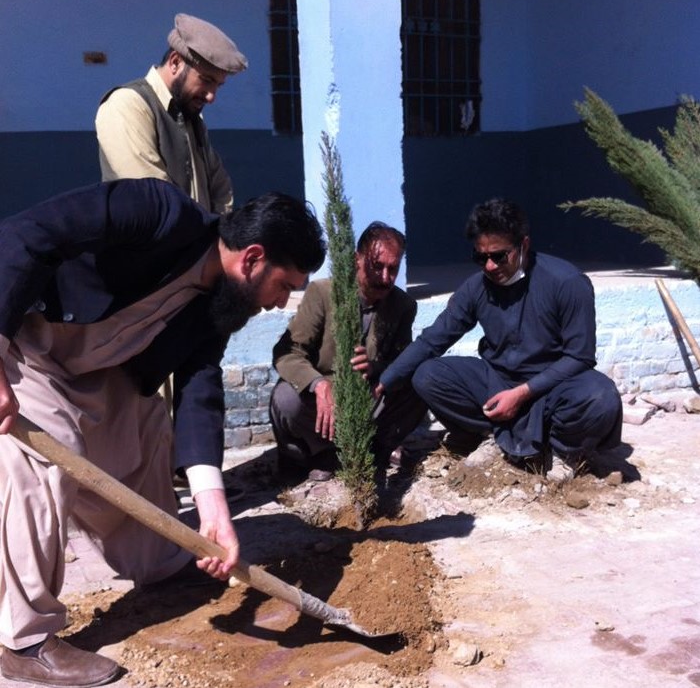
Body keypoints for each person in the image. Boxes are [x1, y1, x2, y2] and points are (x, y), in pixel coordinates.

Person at [0, 179, 325, 688]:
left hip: (99, 374)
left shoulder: (219, 306)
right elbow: (27, 235)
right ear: (254, 258)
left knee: (148, 426)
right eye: (284, 286)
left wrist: (213, 505)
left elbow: (199, 385)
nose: (282, 303)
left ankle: (158, 564)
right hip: (28, 349)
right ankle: (23, 641)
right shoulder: (156, 211)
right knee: (44, 458)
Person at [376, 198, 623, 482]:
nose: (490, 266)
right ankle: (493, 437)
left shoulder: (567, 283)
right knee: (427, 375)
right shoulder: (476, 288)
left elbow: (580, 357)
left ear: (524, 246)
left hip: (553, 386)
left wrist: (522, 394)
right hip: (497, 382)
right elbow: (433, 340)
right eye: (481, 257)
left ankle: (560, 452)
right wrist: (385, 381)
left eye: (499, 256)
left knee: (601, 397)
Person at [270, 222, 427, 481]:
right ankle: (313, 455)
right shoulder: (322, 293)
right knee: (285, 398)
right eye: (377, 266)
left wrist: (377, 368)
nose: (386, 278)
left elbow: (402, 361)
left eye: (393, 269)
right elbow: (287, 353)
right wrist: (318, 384)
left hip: (368, 398)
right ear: (357, 260)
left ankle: (377, 450)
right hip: (322, 402)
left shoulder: (403, 306)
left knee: (422, 377)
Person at [96, 13, 248, 214]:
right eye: (206, 80)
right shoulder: (127, 104)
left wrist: (218, 235)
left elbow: (220, 187)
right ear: (175, 62)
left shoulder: (191, 116)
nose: (211, 96)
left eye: (218, 85)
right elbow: (151, 197)